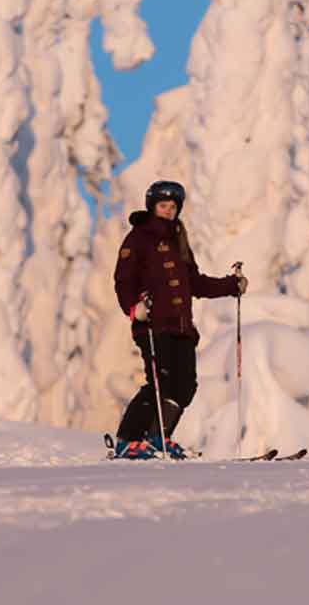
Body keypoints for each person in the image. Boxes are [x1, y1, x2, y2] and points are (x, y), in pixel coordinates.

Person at [111, 179, 247, 459]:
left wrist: (230, 286)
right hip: (153, 324)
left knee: (185, 385)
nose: (169, 211)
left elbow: (194, 283)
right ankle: (128, 439)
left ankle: (158, 437)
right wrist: (134, 308)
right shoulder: (138, 238)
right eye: (163, 205)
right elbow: (123, 281)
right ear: (152, 207)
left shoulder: (178, 241)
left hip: (182, 327)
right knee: (159, 383)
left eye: (173, 206)